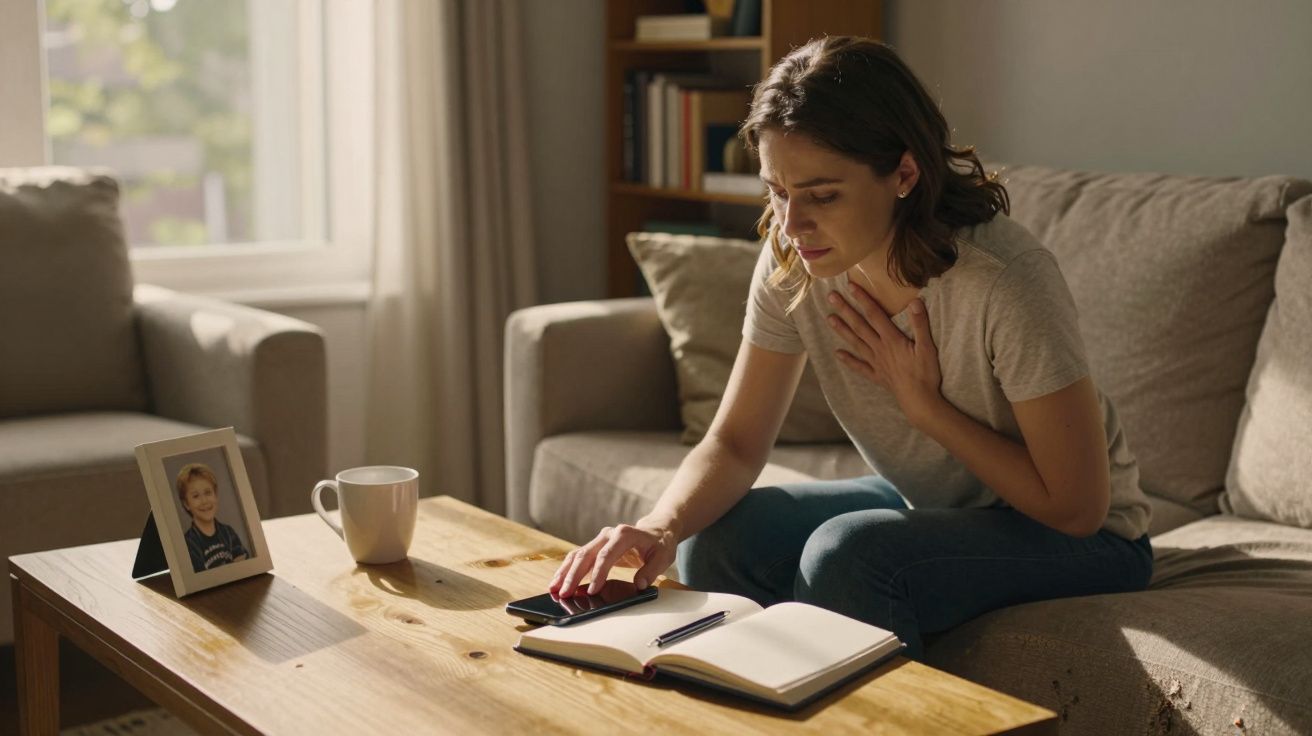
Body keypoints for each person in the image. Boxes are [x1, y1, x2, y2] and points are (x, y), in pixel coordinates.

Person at [550, 36, 1153, 660]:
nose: (791, 223)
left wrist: (927, 410)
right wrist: (658, 527)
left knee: (851, 555)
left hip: (1089, 541)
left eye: (823, 194)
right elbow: (734, 444)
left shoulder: (1004, 280)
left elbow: (1078, 507)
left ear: (904, 174)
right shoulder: (794, 262)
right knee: (716, 537)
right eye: (777, 191)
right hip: (938, 501)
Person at [176, 462, 249, 572]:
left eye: (208, 492)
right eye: (196, 496)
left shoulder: (228, 533)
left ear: (215, 495)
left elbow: (245, 563)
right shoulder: (189, 543)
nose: (204, 501)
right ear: (186, 504)